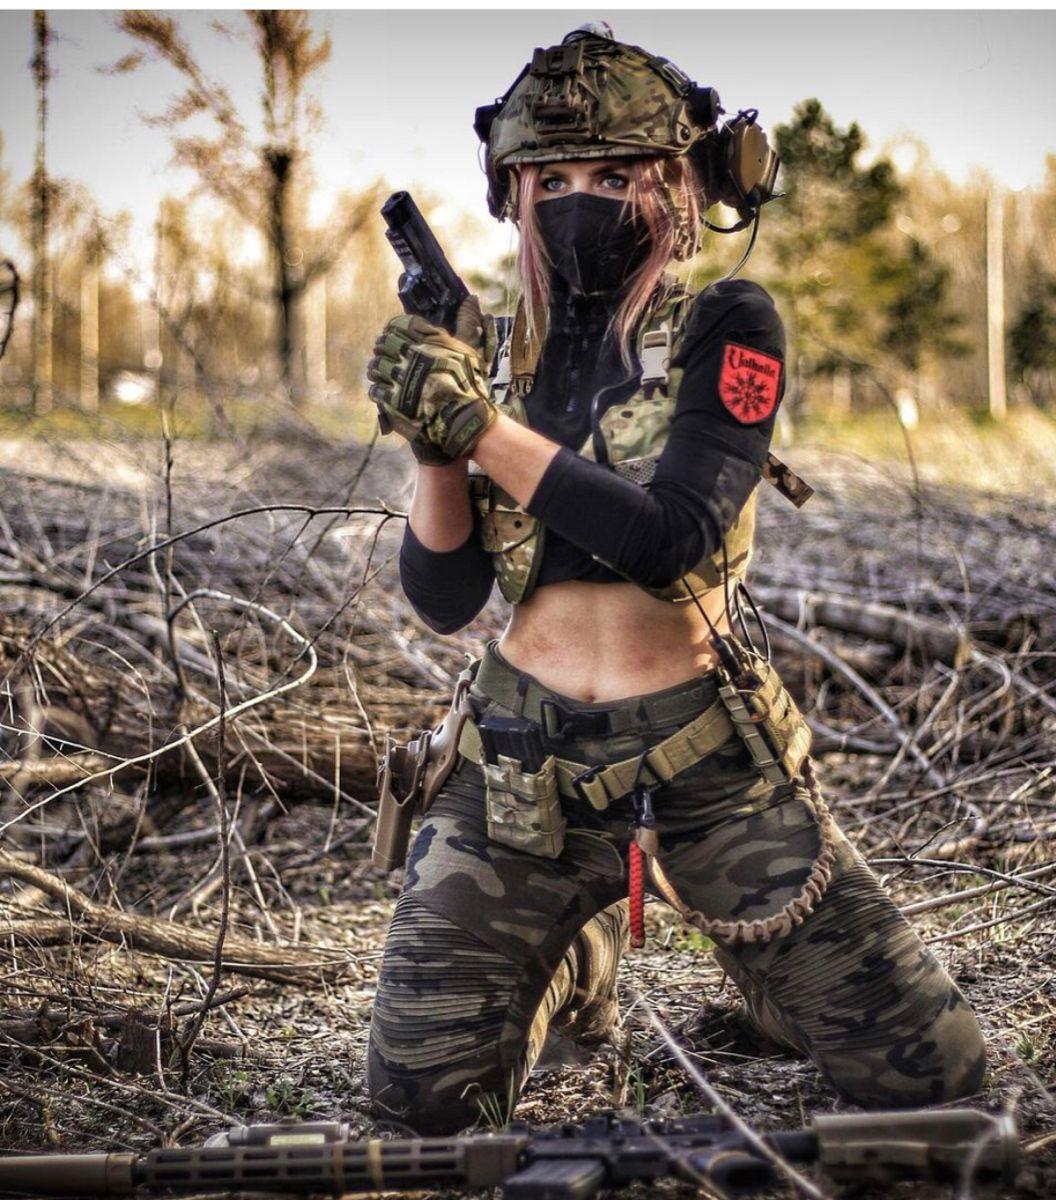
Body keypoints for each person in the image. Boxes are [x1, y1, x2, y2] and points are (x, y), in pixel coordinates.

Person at [363, 25, 987, 1135]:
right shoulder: (487, 352)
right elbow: (447, 598)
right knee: (421, 1102)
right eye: (552, 179)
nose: (580, 202)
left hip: (705, 762)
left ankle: (759, 966)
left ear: (682, 186)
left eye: (616, 176)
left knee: (927, 1074)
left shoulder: (726, 324)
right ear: (512, 193)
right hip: (517, 766)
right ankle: (577, 962)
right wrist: (432, 445)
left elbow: (673, 540)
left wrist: (481, 428)